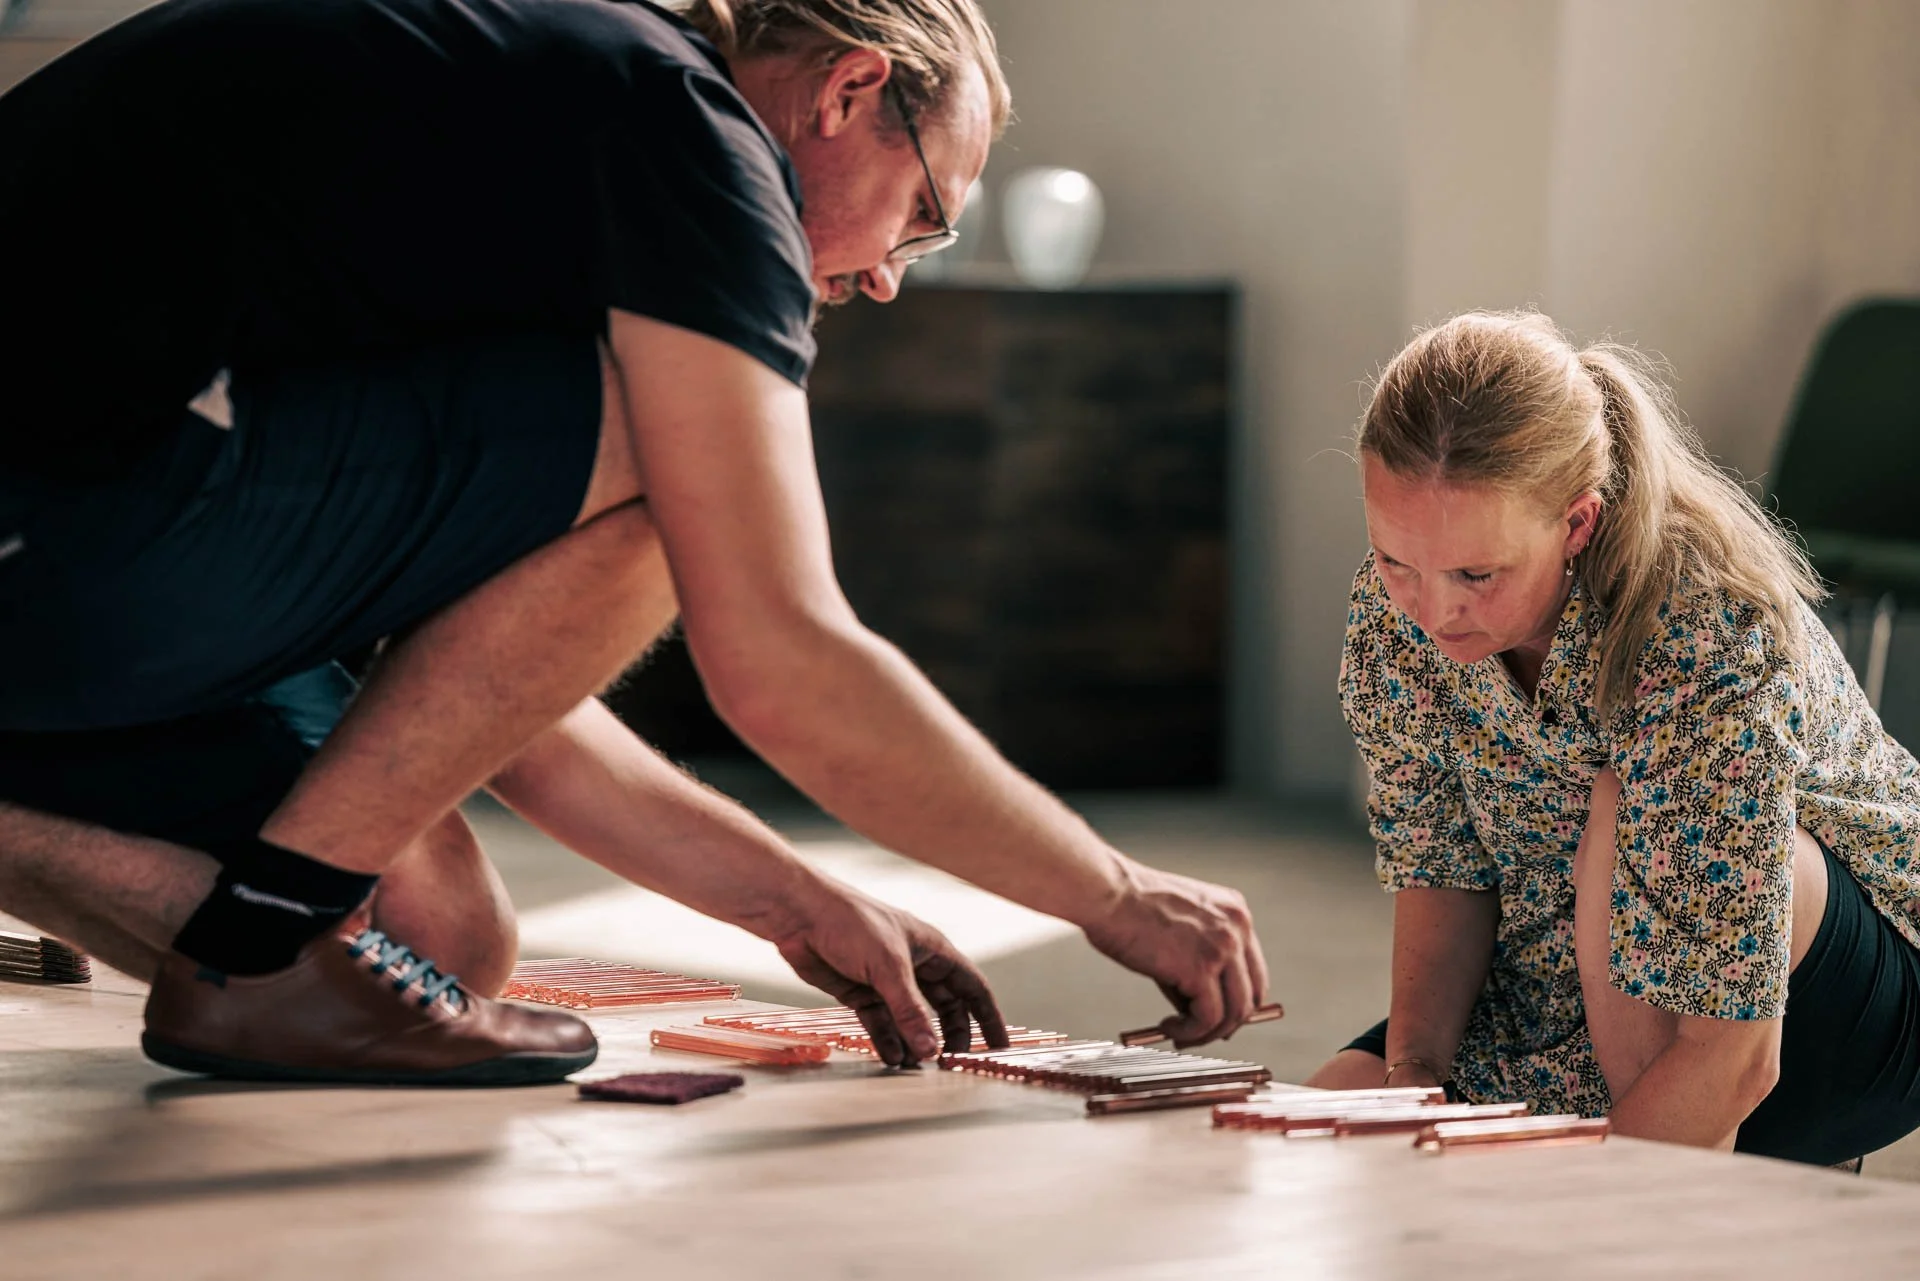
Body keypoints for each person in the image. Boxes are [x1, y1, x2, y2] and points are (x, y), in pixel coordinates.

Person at [0, 0, 1268, 1085]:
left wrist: (796, 900)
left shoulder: (544, 132)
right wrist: (1112, 894)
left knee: (428, 950)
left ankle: (250, 935)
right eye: (924, 215)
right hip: (60, 508)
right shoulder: (683, 128)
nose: (890, 277)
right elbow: (784, 659)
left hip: (89, 524)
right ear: (847, 92)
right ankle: (259, 945)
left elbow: (480, 705)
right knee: (686, 461)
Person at [1307, 311, 1920, 1166]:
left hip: (1817, 993)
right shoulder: (1394, 614)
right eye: (1396, 560)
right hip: (1558, 970)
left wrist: (1597, 1215)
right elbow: (1442, 865)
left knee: (1618, 806)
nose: (1433, 610)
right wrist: (1414, 1076)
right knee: (1325, 1136)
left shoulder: (1706, 632)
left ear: (1578, 524)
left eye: (1476, 573)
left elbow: (1737, 1056)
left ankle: (1718, 1182)